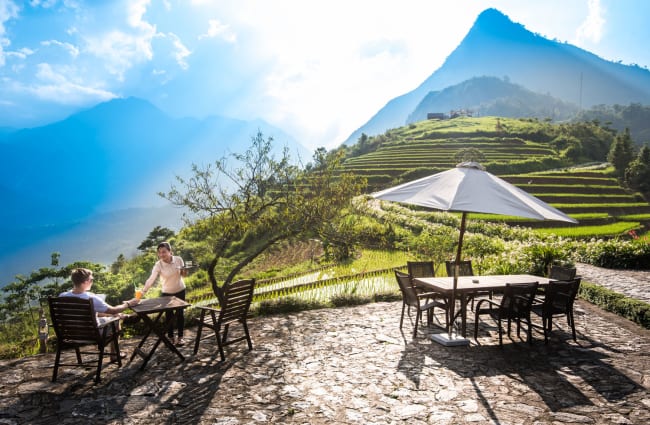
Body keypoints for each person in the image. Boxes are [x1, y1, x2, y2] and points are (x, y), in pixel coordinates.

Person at [60, 267, 140, 360]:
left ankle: (122, 316)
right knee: (116, 321)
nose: (92, 282)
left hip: (71, 334)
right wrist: (128, 303)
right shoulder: (91, 298)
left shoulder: (62, 296)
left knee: (112, 316)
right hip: (93, 333)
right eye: (91, 280)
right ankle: (114, 355)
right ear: (86, 281)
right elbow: (113, 309)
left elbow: (84, 315)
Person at [142, 241, 187, 346]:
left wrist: (184, 271)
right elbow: (151, 279)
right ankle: (171, 337)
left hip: (180, 290)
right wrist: (143, 291)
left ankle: (180, 337)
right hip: (167, 293)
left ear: (170, 251)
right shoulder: (158, 265)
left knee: (180, 314)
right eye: (159, 252)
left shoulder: (179, 259)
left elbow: (183, 275)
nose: (161, 255)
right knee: (169, 316)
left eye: (164, 252)